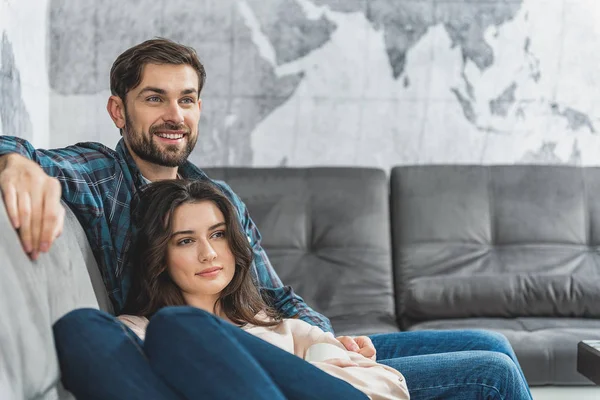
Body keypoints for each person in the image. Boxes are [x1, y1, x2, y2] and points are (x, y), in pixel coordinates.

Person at [0, 38, 532, 399]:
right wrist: (16, 163)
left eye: (187, 99)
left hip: (269, 333)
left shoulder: (216, 195)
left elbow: (274, 297)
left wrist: (326, 339)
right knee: (492, 373)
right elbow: (13, 145)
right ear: (120, 111)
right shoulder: (98, 175)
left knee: (495, 343)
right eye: (154, 98)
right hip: (198, 343)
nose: (174, 115)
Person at [54, 179, 410, 399]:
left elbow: (389, 387)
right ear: (159, 258)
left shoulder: (283, 327)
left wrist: (300, 373)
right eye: (184, 241)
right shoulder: (137, 331)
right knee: (78, 327)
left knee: (182, 327)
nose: (208, 253)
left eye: (218, 234)